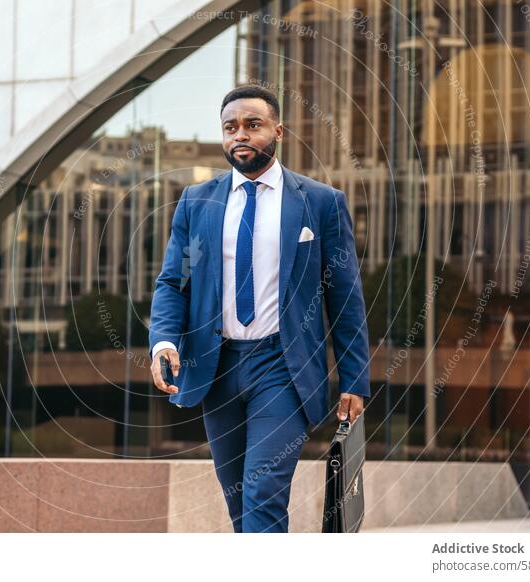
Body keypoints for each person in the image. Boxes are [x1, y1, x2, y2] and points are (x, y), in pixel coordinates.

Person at [148, 84, 370, 533]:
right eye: (230, 128)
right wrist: (164, 340)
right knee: (239, 508)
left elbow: (344, 296)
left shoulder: (321, 203)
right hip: (217, 368)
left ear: (278, 131)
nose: (240, 135)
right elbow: (174, 281)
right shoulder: (197, 202)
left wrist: (354, 379)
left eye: (253, 125)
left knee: (262, 494)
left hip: (282, 367)